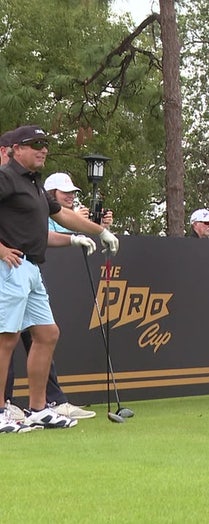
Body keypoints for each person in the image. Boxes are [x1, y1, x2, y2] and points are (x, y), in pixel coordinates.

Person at [0, 125, 119, 433]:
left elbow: (62, 217)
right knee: (6, 339)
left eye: (45, 144)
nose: (43, 149)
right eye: (35, 144)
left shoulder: (34, 184)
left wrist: (97, 232)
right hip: (10, 268)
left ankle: (39, 409)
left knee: (48, 333)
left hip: (32, 270)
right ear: (16, 149)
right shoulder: (5, 177)